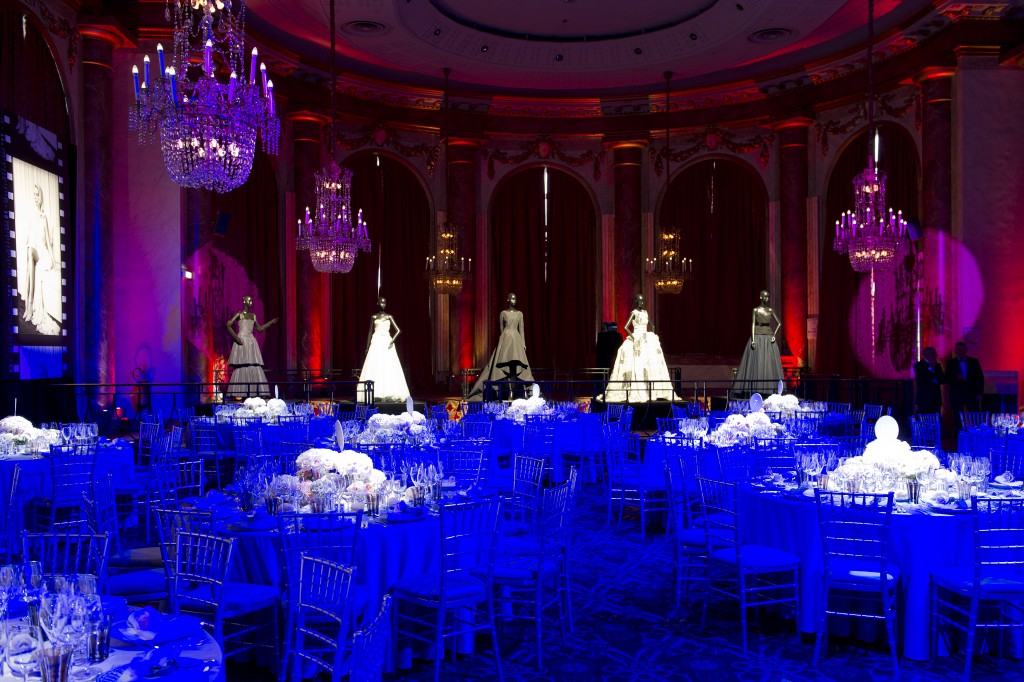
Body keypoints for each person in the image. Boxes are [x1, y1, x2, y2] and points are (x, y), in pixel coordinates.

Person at [603, 294, 678, 402]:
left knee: (650, 363)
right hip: (637, 336)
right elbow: (626, 327)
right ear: (636, 301)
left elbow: (652, 325)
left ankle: (654, 390)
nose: (641, 303)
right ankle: (634, 388)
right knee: (635, 361)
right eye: (639, 301)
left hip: (647, 337)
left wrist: (652, 335)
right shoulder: (634, 313)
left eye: (643, 301)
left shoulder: (645, 313)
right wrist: (634, 338)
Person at [469, 292, 533, 400]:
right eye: (512, 299)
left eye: (515, 299)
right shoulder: (503, 313)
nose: (514, 301)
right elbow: (501, 329)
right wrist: (502, 342)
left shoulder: (519, 314)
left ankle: (523, 391)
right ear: (508, 300)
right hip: (505, 341)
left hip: (516, 341)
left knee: (519, 368)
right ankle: (510, 392)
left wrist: (523, 344)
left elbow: (521, 329)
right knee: (506, 368)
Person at [22, 183, 60, 335]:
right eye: (34, 194)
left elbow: (48, 244)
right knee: (29, 252)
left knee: (30, 252)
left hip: (44, 255)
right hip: (36, 252)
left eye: (37, 194)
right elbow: (30, 238)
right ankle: (28, 305)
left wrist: (53, 261)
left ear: (41, 197)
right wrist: (27, 246)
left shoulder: (44, 217)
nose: (35, 197)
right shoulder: (32, 215)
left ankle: (30, 304)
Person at [358, 296, 410, 402]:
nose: (383, 305)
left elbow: (398, 330)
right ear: (377, 304)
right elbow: (369, 332)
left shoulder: (389, 316)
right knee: (375, 366)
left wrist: (392, 341)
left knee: (388, 366)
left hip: (386, 343)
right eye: (381, 303)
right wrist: (367, 347)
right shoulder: (373, 317)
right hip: (376, 342)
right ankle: (375, 392)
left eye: (384, 303)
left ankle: (389, 392)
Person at [733, 290, 783, 397]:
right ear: (761, 297)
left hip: (768, 337)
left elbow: (779, 323)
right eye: (765, 296)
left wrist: (774, 335)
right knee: (757, 361)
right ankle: (753, 388)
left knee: (768, 362)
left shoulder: (770, 310)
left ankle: (769, 389)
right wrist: (753, 339)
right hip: (758, 336)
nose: (767, 298)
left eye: (768, 297)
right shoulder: (756, 310)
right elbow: (753, 324)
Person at [225, 295, 278, 399]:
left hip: (251, 341)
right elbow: (228, 324)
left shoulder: (253, 316)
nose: (251, 302)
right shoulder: (239, 314)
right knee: (242, 364)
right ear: (244, 301)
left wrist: (270, 323)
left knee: (253, 365)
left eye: (251, 301)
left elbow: (259, 329)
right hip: (242, 340)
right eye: (249, 301)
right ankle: (240, 392)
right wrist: (236, 338)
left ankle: (253, 391)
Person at [947, 341, 984, 412]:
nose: (960, 351)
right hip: (956, 394)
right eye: (958, 349)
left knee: (974, 415)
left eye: (962, 349)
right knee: (957, 416)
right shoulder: (951, 363)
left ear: (966, 350)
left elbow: (980, 378)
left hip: (972, 394)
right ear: (955, 350)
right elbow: (947, 378)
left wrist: (980, 393)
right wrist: (956, 378)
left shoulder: (974, 362)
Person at [913, 346, 945, 414]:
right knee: (924, 418)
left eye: (934, 354)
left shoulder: (937, 366)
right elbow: (922, 379)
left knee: (936, 418)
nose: (934, 355)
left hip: (936, 398)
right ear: (925, 355)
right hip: (924, 398)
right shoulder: (918, 365)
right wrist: (931, 368)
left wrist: (937, 380)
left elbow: (942, 379)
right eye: (932, 354)